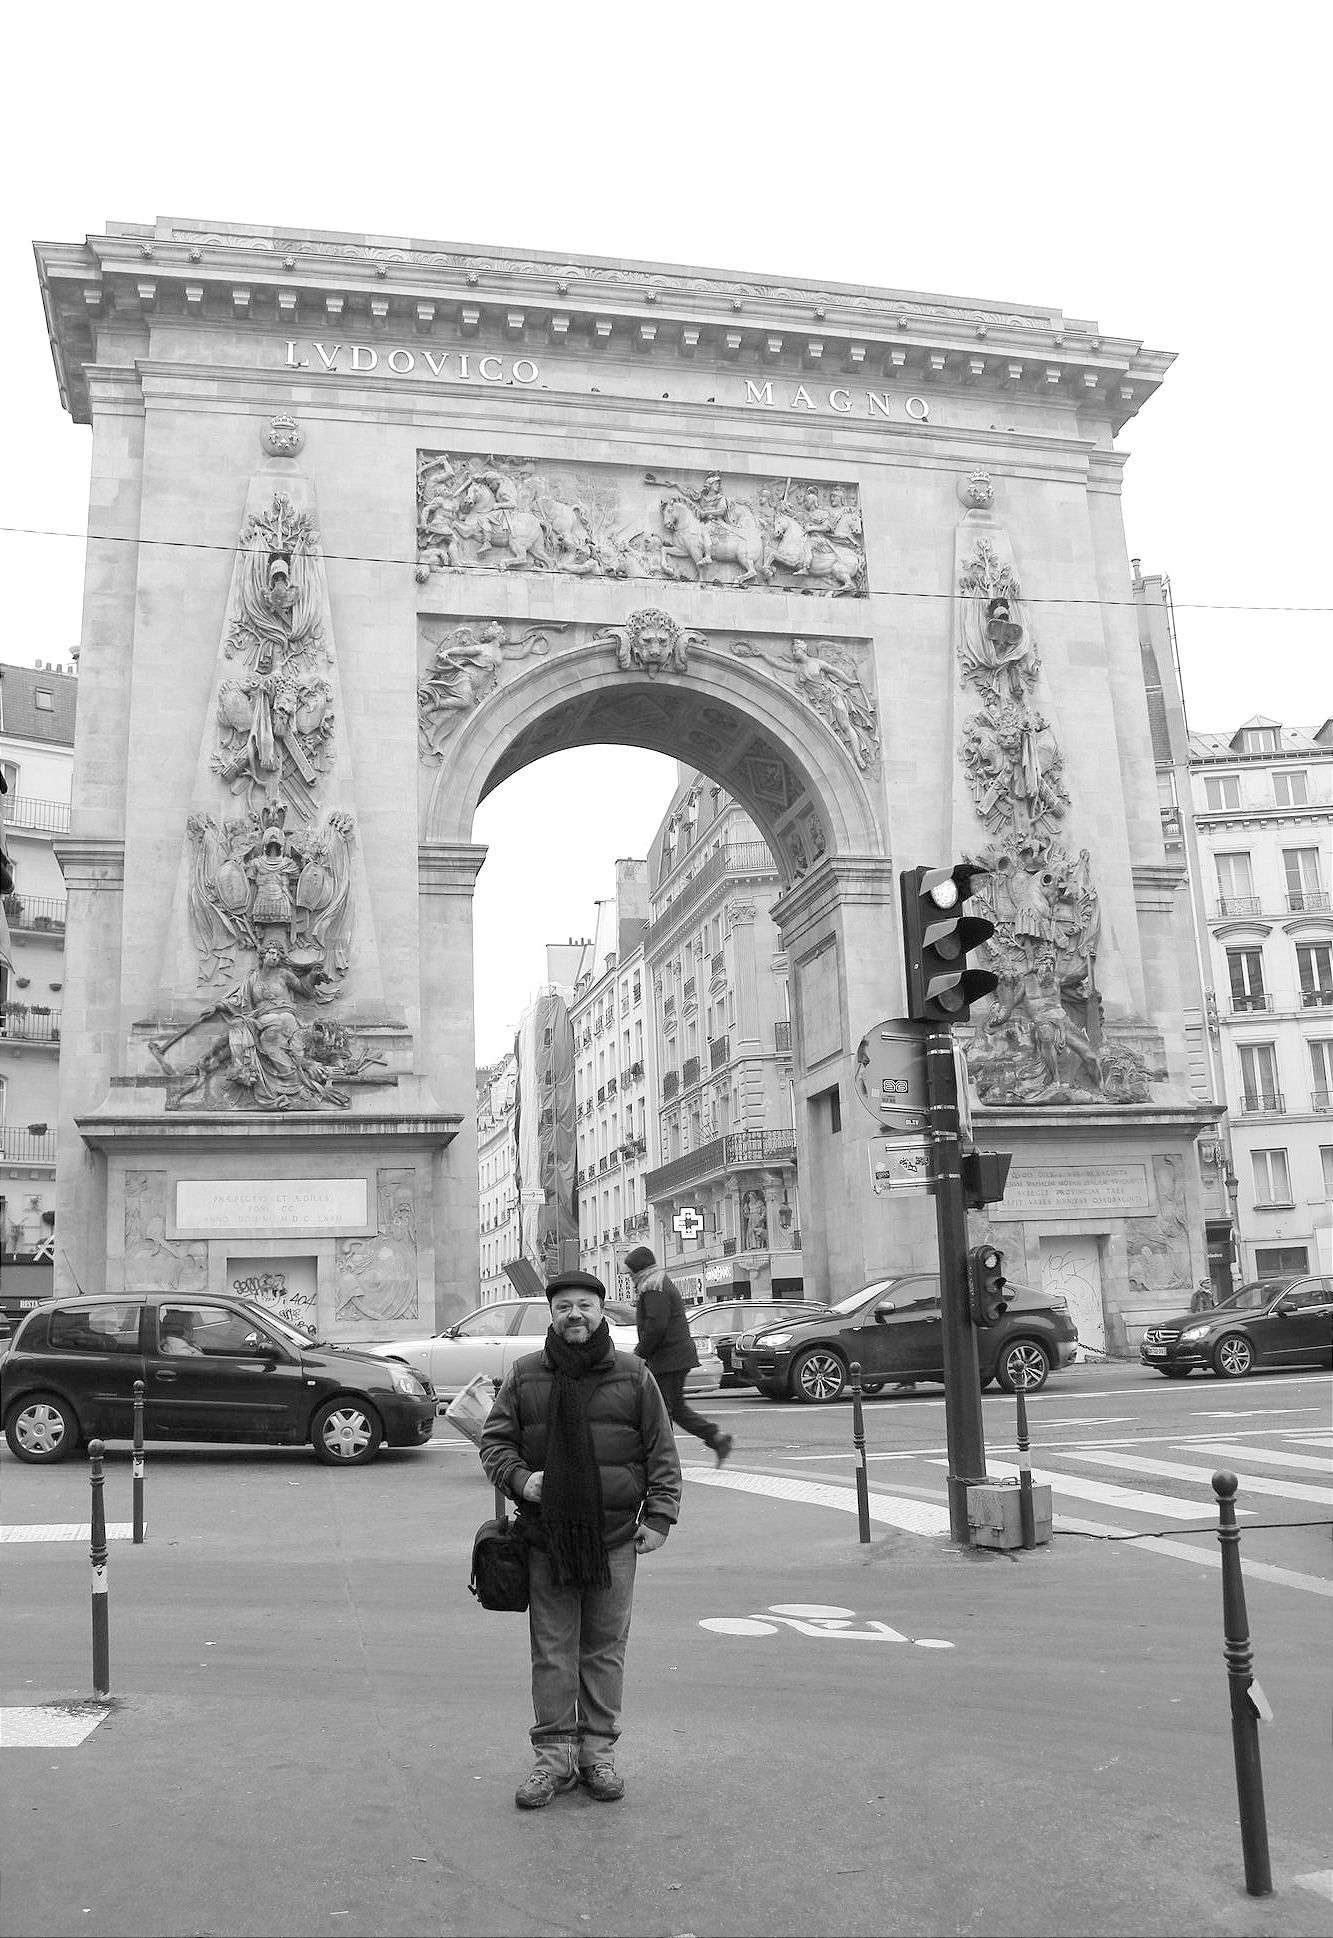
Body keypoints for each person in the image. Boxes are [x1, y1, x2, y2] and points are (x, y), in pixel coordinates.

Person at [478, 1270, 682, 1811]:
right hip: (547, 1538)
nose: (575, 1314)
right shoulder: (525, 1375)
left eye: (585, 1305)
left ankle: (597, 1756)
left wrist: (660, 1518)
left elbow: (662, 1453)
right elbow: (494, 1444)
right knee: (552, 1653)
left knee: (604, 1651)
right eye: (565, 1305)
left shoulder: (633, 1374)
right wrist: (524, 1480)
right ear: (552, 1313)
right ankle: (553, 1761)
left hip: (614, 1538)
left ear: (600, 1312)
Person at [622, 1245, 733, 1467]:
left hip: (668, 1359)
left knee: (661, 1411)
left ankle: (664, 1461)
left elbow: (655, 1326)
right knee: (674, 1408)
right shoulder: (655, 1281)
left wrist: (639, 1354)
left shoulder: (653, 1286)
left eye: (629, 1270)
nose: (628, 1275)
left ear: (638, 1268)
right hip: (672, 1357)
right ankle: (716, 1438)